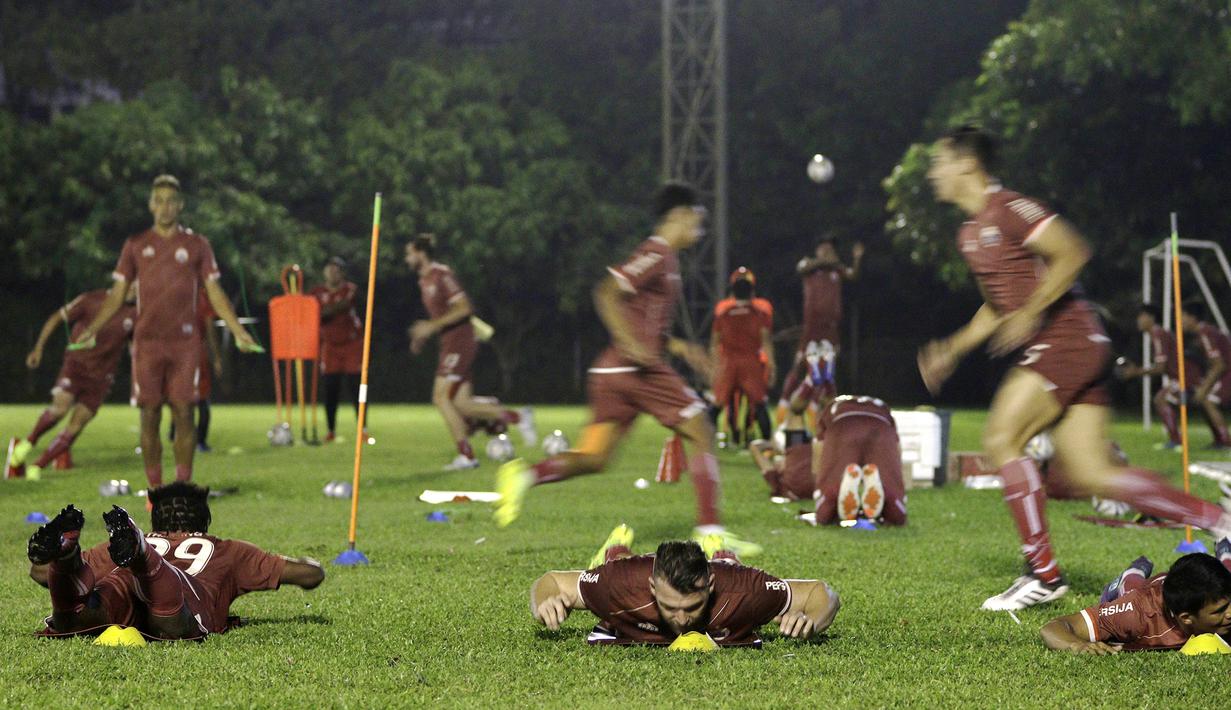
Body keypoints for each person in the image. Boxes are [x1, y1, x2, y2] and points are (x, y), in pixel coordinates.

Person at [918, 125, 1230, 611]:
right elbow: (997, 307)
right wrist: (952, 348)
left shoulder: (1009, 208)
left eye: (940, 161)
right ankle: (1219, 519)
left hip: (1067, 339)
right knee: (1093, 472)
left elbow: (1072, 251)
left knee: (1001, 438)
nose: (932, 172)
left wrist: (1032, 311)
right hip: (1069, 346)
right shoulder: (970, 234)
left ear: (967, 163)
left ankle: (1043, 574)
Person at [493, 183, 760, 555]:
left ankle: (524, 476)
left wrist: (679, 347)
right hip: (635, 371)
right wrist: (631, 344)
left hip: (613, 374)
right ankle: (711, 534)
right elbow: (606, 292)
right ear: (679, 215)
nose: (699, 229)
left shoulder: (668, 261)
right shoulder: (656, 253)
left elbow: (647, 325)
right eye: (696, 220)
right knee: (701, 427)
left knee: (595, 458)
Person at [74, 175, 259, 489]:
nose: (165, 207)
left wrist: (238, 330)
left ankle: (182, 487)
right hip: (147, 344)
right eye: (158, 201)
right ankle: (155, 491)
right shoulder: (135, 245)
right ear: (151, 205)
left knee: (185, 412)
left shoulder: (197, 245)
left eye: (171, 201)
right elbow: (117, 295)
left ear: (180, 205)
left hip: (185, 343)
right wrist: (93, 329)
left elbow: (214, 292)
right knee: (149, 415)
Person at [26, 482, 325, 640]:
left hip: (124, 579)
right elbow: (310, 575)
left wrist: (59, 564)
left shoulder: (117, 547)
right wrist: (306, 561)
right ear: (204, 520)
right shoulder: (230, 550)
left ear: (155, 520)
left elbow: (38, 572)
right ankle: (147, 563)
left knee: (74, 618)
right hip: (180, 593)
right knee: (172, 620)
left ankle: (67, 559)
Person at [529, 530, 839, 647]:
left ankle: (720, 551)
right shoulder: (620, 584)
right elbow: (552, 581)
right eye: (670, 606)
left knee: (728, 564)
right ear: (653, 588)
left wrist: (810, 620)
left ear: (710, 587)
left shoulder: (745, 590)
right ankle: (616, 546)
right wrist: (544, 603)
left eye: (692, 606)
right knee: (617, 562)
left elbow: (822, 593)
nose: (681, 619)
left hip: (725, 572)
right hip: (629, 569)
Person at [403, 233, 536, 470]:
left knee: (440, 397)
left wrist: (431, 326)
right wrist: (425, 334)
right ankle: (518, 418)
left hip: (460, 341)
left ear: (421, 254)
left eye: (409, 253)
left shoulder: (441, 275)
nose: (407, 259)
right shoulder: (424, 281)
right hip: (450, 342)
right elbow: (441, 316)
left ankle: (466, 456)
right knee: (462, 404)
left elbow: (464, 308)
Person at [752, 356, 906, 526]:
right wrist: (777, 449)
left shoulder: (782, 484)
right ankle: (823, 383)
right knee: (800, 415)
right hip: (833, 452)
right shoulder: (785, 476)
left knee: (825, 514)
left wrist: (777, 452)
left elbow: (755, 447)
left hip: (819, 465)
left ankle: (814, 383)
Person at [6, 286, 137, 479]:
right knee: (59, 409)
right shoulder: (91, 299)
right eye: (134, 284)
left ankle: (37, 466)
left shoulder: (134, 314)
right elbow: (56, 318)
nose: (137, 289)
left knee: (76, 425)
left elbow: (135, 348)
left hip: (101, 379)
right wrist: (38, 348)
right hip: (76, 367)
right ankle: (27, 443)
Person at [1040, 541, 1231, 653]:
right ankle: (1136, 569)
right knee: (1130, 586)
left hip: (1181, 584)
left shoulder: (1219, 598)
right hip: (1144, 591)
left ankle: (1225, 553)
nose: (1230, 613)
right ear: (1186, 618)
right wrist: (1078, 646)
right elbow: (1052, 628)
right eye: (1220, 611)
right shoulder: (1136, 612)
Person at [775, 233, 864, 421]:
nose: (827, 251)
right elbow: (802, 268)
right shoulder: (809, 265)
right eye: (824, 248)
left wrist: (857, 259)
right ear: (817, 250)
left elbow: (852, 275)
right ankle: (784, 403)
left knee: (827, 371)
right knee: (800, 364)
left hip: (831, 329)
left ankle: (821, 411)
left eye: (830, 249)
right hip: (812, 328)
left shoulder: (837, 270)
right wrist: (826, 261)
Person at [1117, 305, 1203, 450]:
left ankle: (1177, 441)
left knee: (1161, 400)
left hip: (1186, 377)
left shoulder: (1158, 334)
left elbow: (1160, 368)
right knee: (1162, 399)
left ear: (1151, 318)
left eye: (1141, 316)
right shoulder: (1158, 334)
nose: (1138, 320)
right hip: (1182, 376)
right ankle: (1178, 440)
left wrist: (1135, 372)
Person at [709, 267, 775, 447]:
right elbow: (766, 340)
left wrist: (714, 367)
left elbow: (715, 342)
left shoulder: (723, 310)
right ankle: (767, 444)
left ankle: (706, 445)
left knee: (717, 405)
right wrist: (771, 365)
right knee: (759, 404)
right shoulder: (760, 310)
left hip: (728, 361)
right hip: (750, 362)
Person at [309, 256, 364, 443]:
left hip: (352, 344)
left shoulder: (350, 289)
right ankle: (331, 431)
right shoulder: (316, 292)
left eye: (337, 270)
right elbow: (310, 312)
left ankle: (363, 429)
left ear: (342, 273)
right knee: (330, 388)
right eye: (330, 269)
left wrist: (320, 312)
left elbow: (341, 306)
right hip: (329, 346)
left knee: (357, 387)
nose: (333, 273)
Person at [1181, 301, 1231, 449]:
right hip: (1226, 372)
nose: (1180, 321)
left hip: (1228, 372)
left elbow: (1219, 364)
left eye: (1182, 316)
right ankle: (1219, 440)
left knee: (1208, 400)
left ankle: (1225, 441)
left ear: (1192, 317)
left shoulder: (1205, 332)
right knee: (1204, 400)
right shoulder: (1205, 332)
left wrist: (1204, 388)